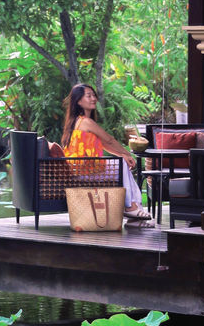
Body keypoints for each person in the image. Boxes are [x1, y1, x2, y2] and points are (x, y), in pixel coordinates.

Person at [60, 83, 154, 226]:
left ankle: (135, 215)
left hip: (83, 169)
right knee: (122, 164)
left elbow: (104, 144)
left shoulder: (76, 121)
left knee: (123, 167)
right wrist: (126, 154)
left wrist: (122, 155)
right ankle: (130, 208)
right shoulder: (85, 121)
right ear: (79, 101)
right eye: (88, 95)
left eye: (94, 95)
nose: (93, 98)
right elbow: (109, 139)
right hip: (84, 170)